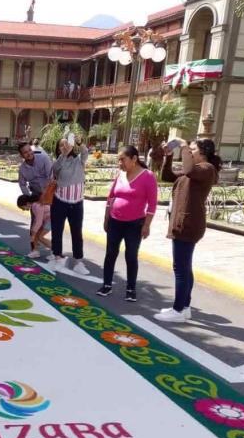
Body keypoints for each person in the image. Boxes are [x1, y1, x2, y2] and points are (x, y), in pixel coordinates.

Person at [154, 138, 220, 322]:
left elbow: (190, 169)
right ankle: (185, 307)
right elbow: (167, 176)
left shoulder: (206, 169)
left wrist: (182, 145)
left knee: (180, 269)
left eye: (192, 149)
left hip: (188, 224)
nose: (190, 152)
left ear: (203, 152)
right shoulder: (194, 171)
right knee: (185, 267)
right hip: (184, 223)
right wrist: (168, 156)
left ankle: (178, 310)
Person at [97, 145, 158, 302]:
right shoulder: (120, 175)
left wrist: (146, 225)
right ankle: (107, 285)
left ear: (134, 159)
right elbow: (110, 197)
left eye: (122, 159)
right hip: (115, 222)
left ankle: (131, 289)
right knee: (110, 253)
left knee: (131, 255)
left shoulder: (148, 176)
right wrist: (106, 218)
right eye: (118, 160)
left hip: (134, 224)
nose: (120, 163)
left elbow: (152, 204)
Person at [51, 136, 90, 275]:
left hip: (77, 203)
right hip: (60, 201)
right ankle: (57, 257)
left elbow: (85, 153)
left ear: (72, 145)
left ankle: (79, 261)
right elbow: (54, 170)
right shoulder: (59, 161)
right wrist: (63, 155)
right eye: (61, 145)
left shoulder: (79, 160)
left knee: (77, 232)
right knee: (57, 230)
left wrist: (80, 142)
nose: (65, 147)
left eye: (67, 144)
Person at [18, 193, 51, 258]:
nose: (23, 209)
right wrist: (33, 231)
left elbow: (39, 221)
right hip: (47, 220)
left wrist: (33, 233)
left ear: (27, 203)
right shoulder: (34, 206)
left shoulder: (37, 206)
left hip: (52, 220)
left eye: (23, 207)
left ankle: (56, 251)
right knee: (35, 235)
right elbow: (36, 219)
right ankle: (35, 252)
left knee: (40, 237)